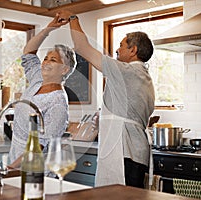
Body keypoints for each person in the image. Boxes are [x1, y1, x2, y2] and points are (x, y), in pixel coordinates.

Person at [56, 11, 155, 188]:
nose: (117, 50)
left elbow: (81, 47)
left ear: (133, 50)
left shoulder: (126, 71)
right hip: (134, 152)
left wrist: (73, 18)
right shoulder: (142, 75)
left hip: (125, 152)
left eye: (121, 45)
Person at [8, 14, 77, 168]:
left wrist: (12, 167)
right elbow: (28, 53)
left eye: (53, 60)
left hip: (37, 168)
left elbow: (40, 146)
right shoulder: (37, 80)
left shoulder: (58, 102)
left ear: (64, 69)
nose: (45, 62)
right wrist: (50, 28)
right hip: (16, 158)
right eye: (46, 58)